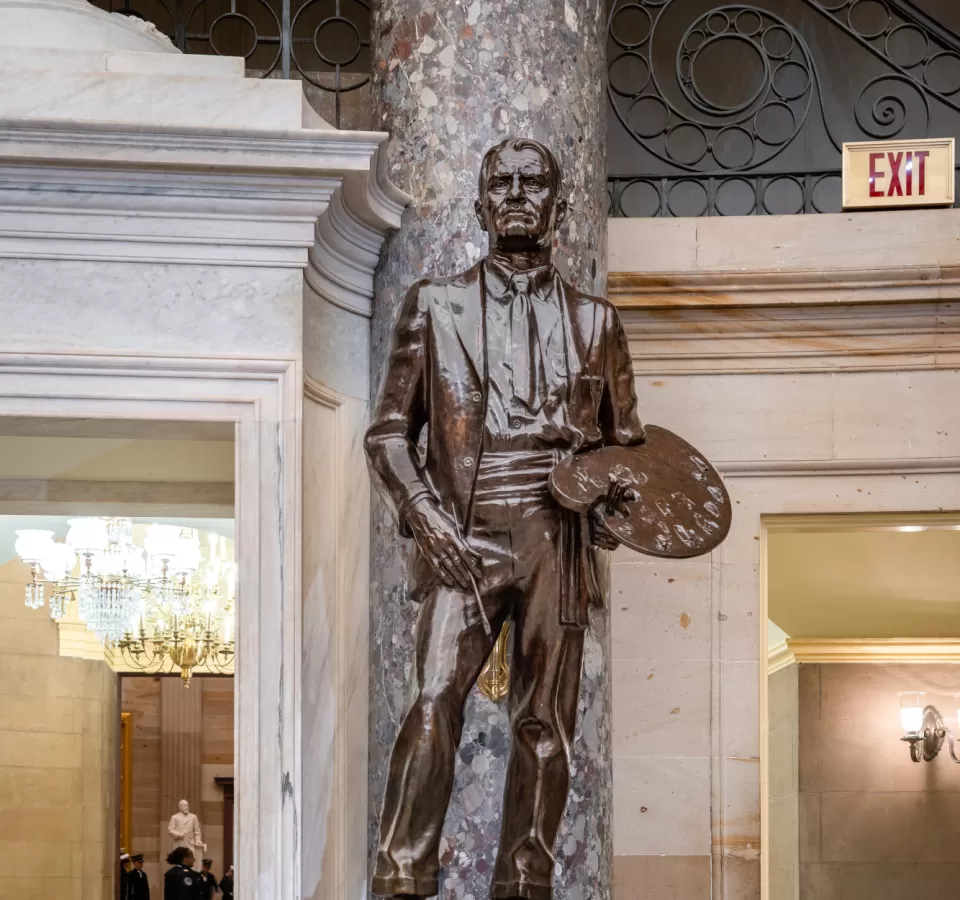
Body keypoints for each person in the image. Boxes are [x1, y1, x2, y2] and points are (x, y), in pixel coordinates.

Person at [365, 137, 645, 900]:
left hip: (558, 535)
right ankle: (401, 874)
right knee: (431, 701)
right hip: (464, 530)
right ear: (482, 203)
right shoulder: (435, 304)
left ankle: (525, 882)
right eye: (502, 183)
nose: (518, 194)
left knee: (546, 723)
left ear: (559, 204)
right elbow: (388, 433)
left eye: (534, 183)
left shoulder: (598, 322)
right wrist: (425, 517)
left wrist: (618, 508)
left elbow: (629, 454)